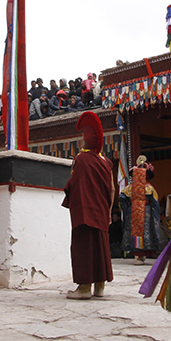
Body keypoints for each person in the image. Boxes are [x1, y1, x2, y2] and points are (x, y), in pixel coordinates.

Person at [62, 111, 114, 299]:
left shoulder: (82, 160)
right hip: (101, 211)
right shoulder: (106, 162)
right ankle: (99, 287)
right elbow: (112, 189)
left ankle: (84, 288)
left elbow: (73, 184)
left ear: (86, 140)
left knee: (84, 247)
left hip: (84, 211)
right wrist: (108, 211)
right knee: (100, 247)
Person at [120, 155, 169, 264]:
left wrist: (127, 208)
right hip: (146, 211)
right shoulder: (149, 187)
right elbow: (155, 203)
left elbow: (122, 198)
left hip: (132, 211)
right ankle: (142, 255)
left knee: (134, 232)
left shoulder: (129, 188)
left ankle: (137, 255)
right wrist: (155, 215)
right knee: (146, 232)